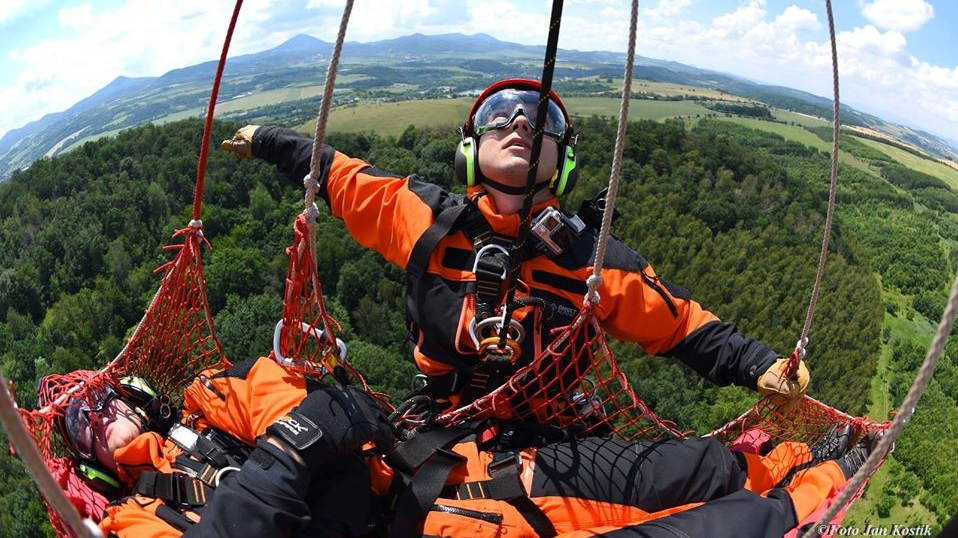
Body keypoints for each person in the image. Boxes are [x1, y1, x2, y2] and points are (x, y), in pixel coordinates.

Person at [212, 77, 876, 536]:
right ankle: (808, 476)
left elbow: (678, 324)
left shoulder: (591, 264)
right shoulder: (423, 220)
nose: (522, 122)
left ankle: (818, 461)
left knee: (700, 467)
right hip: (447, 425)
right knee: (673, 484)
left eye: (541, 123)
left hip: (552, 430)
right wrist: (269, 139)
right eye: (501, 116)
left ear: (560, 161)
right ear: (471, 150)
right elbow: (336, 174)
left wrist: (760, 364)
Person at [48, 356, 875, 538]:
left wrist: (291, 442)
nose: (104, 421)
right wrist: (288, 454)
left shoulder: (204, 402)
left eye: (102, 403)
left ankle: (809, 459)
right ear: (84, 461)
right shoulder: (128, 521)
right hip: (426, 532)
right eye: (84, 423)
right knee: (710, 535)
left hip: (463, 471)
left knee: (689, 466)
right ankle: (820, 495)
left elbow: (302, 398)